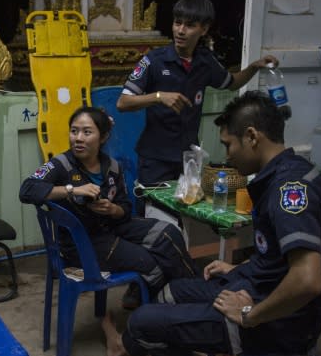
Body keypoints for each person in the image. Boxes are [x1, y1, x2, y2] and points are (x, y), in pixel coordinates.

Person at [103, 91, 321, 356]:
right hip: (259, 287)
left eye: (229, 144)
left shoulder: (288, 190)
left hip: (281, 322)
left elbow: (307, 280)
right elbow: (279, 257)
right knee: (172, 291)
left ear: (252, 137)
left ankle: (149, 347)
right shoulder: (289, 172)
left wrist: (249, 314)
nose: (227, 155)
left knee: (141, 322)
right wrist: (240, 269)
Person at [19, 106, 197, 309]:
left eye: (87, 132)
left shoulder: (112, 167)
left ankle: (189, 292)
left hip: (111, 228)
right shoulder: (60, 165)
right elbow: (27, 190)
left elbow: (124, 208)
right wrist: (72, 190)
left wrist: (112, 209)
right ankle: (167, 302)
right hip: (82, 243)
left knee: (168, 232)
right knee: (152, 262)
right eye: (74, 131)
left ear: (103, 137)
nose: (78, 138)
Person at [117, 0, 280, 199]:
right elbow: (123, 102)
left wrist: (254, 67)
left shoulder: (205, 62)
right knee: (154, 214)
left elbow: (232, 83)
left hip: (189, 159)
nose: (181, 31)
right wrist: (158, 96)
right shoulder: (154, 61)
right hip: (155, 159)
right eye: (177, 23)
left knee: (185, 214)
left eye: (189, 25)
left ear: (204, 29)